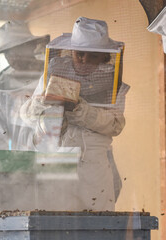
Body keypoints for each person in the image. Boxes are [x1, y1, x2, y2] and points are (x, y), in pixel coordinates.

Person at [20, 17, 130, 211]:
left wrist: (80, 109)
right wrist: (41, 101)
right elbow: (26, 116)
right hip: (56, 161)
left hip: (94, 165)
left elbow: (115, 125)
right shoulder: (52, 73)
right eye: (80, 54)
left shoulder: (113, 85)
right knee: (57, 226)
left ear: (105, 57)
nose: (84, 60)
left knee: (98, 227)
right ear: (71, 52)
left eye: (93, 56)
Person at [0, 21, 49, 150]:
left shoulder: (50, 80)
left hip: (53, 164)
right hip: (18, 166)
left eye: (18, 50)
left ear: (32, 46)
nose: (13, 57)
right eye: (8, 53)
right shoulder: (2, 95)